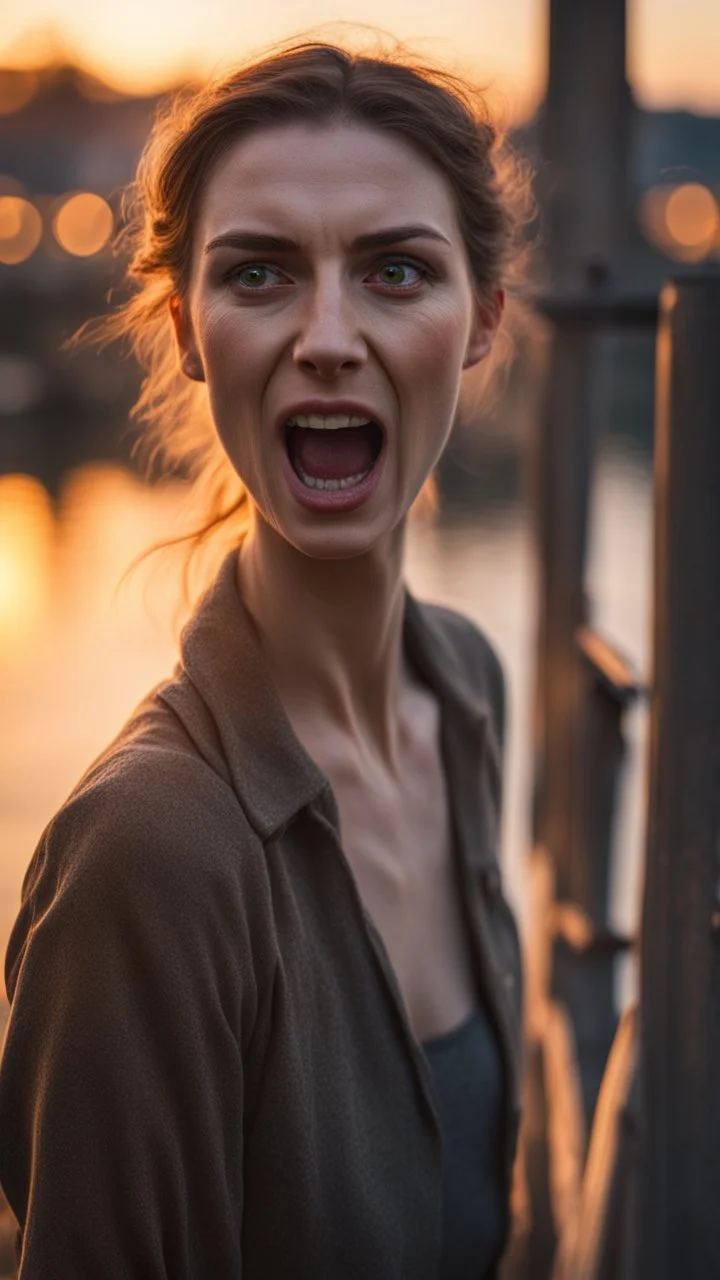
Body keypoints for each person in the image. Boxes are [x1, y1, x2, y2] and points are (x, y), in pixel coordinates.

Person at [0, 40, 529, 1279]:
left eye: (397, 269)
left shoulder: (466, 693)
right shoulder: (150, 856)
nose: (329, 335)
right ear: (188, 331)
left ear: (483, 321)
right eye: (261, 273)